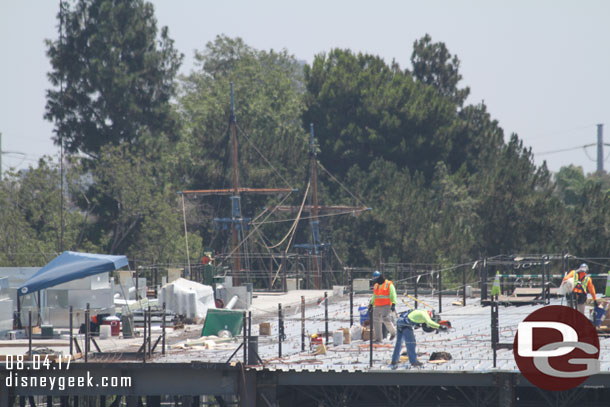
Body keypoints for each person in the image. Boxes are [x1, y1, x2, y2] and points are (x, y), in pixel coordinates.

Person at [368, 271, 397, 343]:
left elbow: (393, 293)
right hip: (377, 305)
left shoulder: (388, 284)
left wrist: (393, 303)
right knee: (376, 321)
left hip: (386, 305)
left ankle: (393, 333)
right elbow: (375, 295)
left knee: (385, 318)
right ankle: (378, 339)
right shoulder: (376, 285)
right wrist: (371, 304)